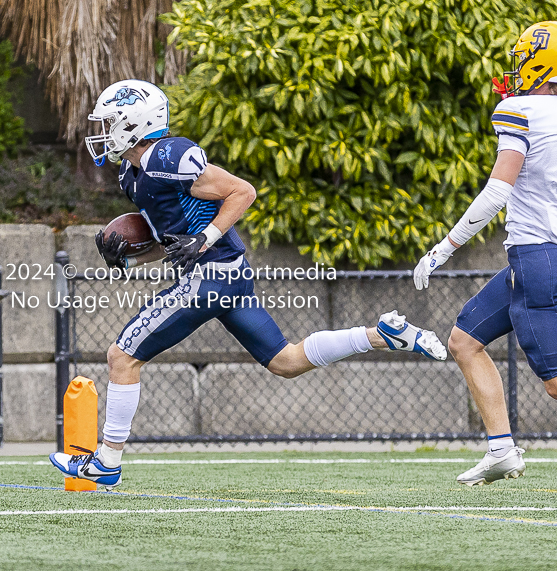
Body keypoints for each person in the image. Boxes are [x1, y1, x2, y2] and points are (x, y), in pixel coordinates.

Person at [50, 79, 447, 488]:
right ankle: (380, 335)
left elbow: (242, 191)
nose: (102, 130)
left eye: (111, 121)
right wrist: (131, 257)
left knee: (122, 355)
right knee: (285, 362)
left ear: (135, 123)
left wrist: (206, 238)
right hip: (229, 275)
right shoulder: (131, 175)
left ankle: (107, 462)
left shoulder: (168, 156)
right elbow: (173, 241)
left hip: (211, 275)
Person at [413, 21, 557, 486]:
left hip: (537, 255)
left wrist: (444, 247)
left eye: (525, 56)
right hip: (552, 254)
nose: (517, 66)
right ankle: (501, 450)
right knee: (464, 340)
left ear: (543, 62)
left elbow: (496, 192)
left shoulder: (521, 109)